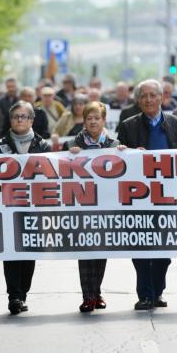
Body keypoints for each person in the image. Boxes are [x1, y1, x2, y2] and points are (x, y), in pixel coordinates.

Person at [117, 79, 177, 310]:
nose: (148, 100)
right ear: (137, 100)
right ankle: (145, 294)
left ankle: (157, 292)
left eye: (153, 95)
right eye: (144, 96)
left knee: (163, 250)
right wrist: (127, 152)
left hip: (168, 198)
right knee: (140, 248)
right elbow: (118, 157)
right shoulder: (128, 126)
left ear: (162, 98)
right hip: (138, 198)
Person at [0, 101, 51, 315]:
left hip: (34, 208)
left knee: (29, 252)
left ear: (31, 120)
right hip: (8, 208)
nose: (19, 120)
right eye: (15, 116)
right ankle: (14, 296)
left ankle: (23, 292)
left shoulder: (43, 147)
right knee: (12, 252)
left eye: (23, 116)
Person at [64, 101, 124, 312]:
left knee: (101, 251)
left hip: (105, 206)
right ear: (84, 121)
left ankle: (97, 292)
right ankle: (87, 295)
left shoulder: (114, 143)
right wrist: (70, 155)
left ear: (104, 120)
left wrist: (125, 153)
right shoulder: (73, 143)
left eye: (97, 118)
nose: (93, 122)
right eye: (89, 118)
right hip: (82, 205)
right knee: (85, 251)